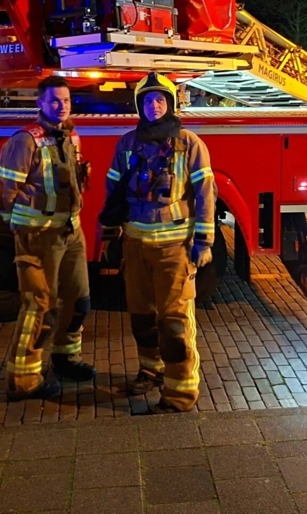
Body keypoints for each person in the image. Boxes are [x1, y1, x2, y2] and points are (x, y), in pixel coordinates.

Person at [102, 72, 216, 413]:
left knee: (175, 322)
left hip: (174, 249)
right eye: (148, 101)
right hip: (135, 247)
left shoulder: (190, 144)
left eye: (160, 100)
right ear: (139, 106)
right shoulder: (127, 144)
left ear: (170, 103)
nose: (154, 106)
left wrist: (204, 242)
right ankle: (150, 372)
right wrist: (110, 235)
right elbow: (114, 192)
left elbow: (206, 195)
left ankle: (180, 393)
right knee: (141, 317)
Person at [0, 75, 95, 400]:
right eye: (54, 101)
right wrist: (21, 227)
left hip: (71, 232)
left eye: (66, 101)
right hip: (38, 236)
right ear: (40, 103)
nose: (61, 106)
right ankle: (24, 380)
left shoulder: (71, 136)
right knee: (40, 306)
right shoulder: (25, 141)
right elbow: (4, 192)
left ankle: (66, 358)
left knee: (79, 302)